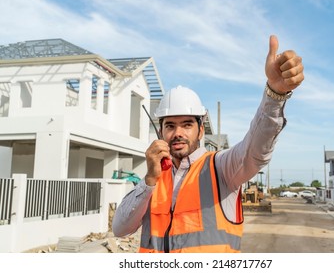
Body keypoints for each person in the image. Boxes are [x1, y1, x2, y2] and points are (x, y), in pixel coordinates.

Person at [112, 35, 304, 253]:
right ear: (161, 131)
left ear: (201, 129)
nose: (178, 133)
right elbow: (119, 229)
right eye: (170, 126)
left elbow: (255, 149)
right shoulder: (154, 180)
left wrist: (275, 94)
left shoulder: (220, 168)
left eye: (186, 125)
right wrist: (149, 180)